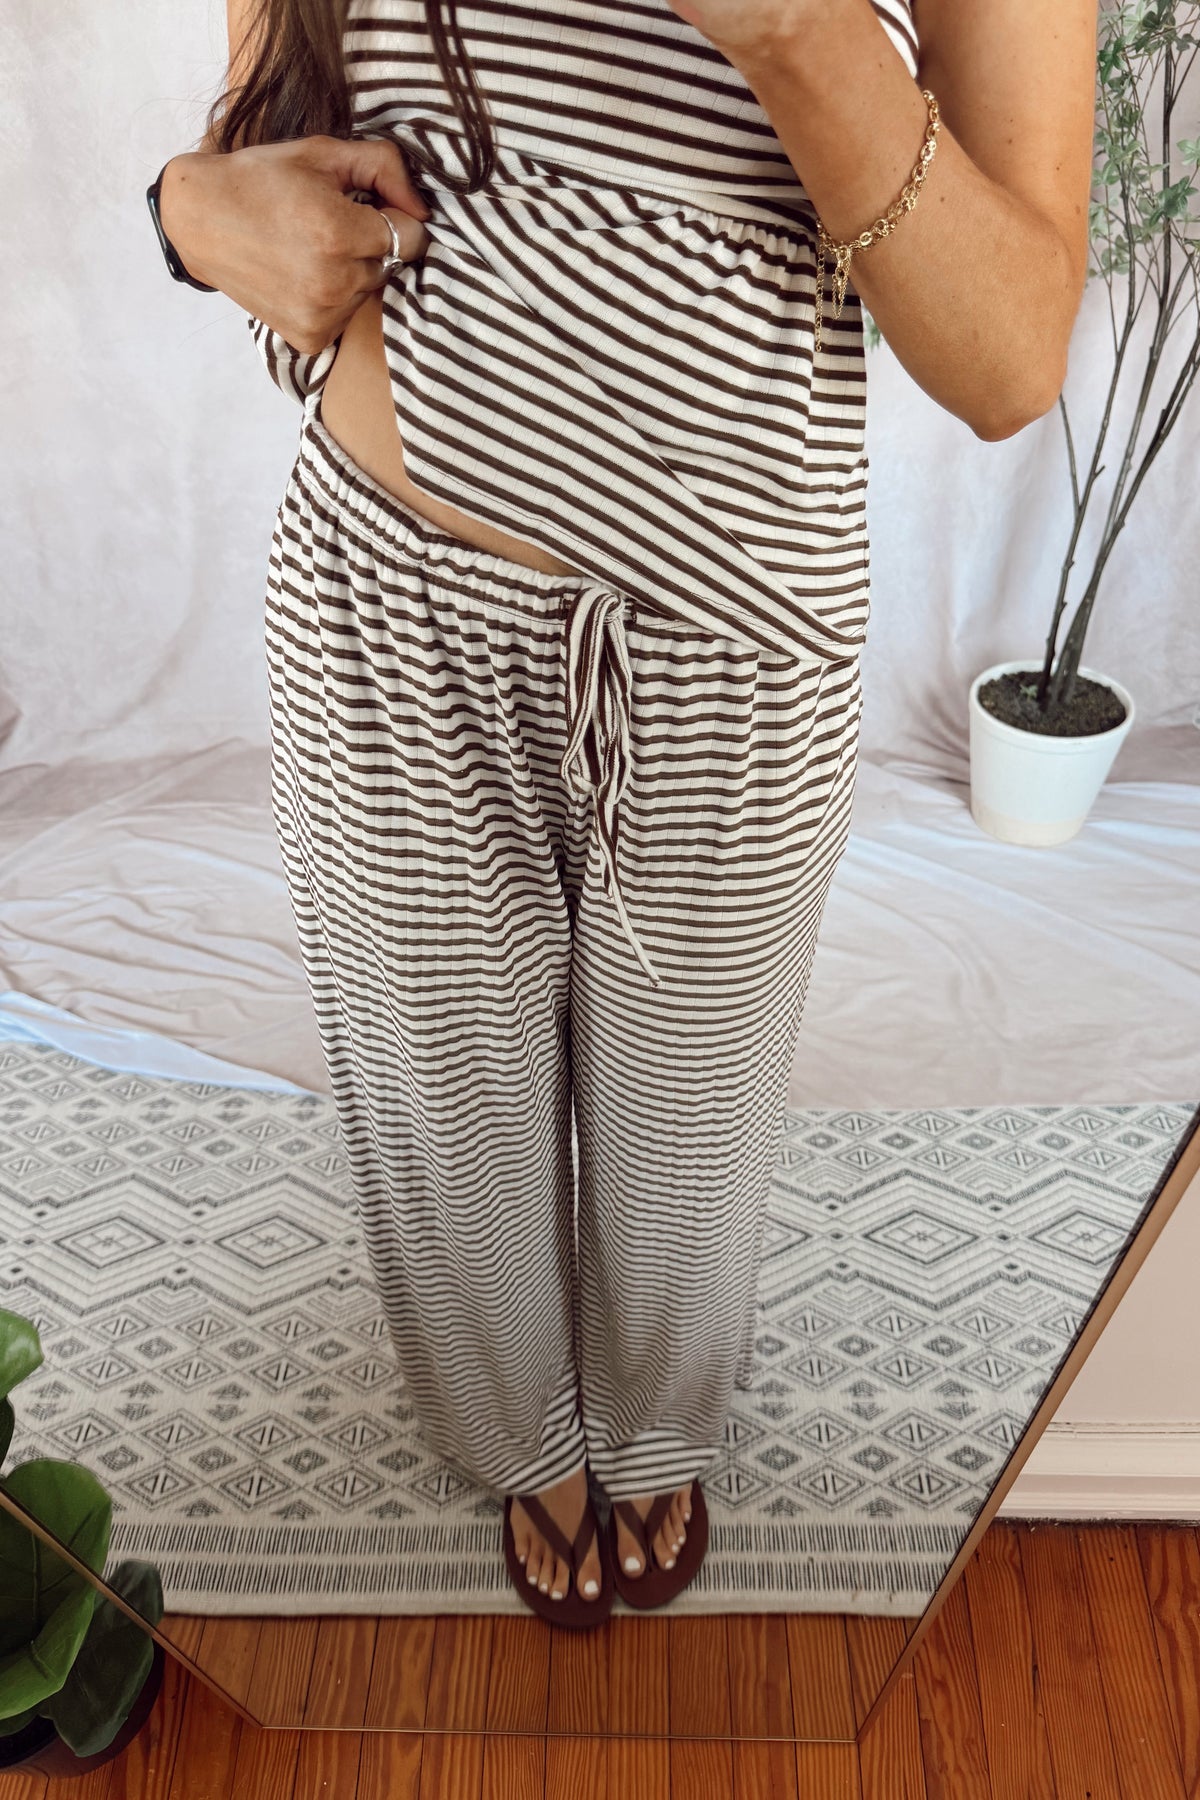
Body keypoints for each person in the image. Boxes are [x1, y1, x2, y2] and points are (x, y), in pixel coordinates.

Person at [149, 0, 1097, 1628]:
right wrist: (184, 213)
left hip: (739, 645)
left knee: (689, 1134)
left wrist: (791, 29)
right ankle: (521, 1443)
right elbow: (269, 124)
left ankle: (657, 1430)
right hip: (385, 605)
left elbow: (1010, 362)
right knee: (446, 1120)